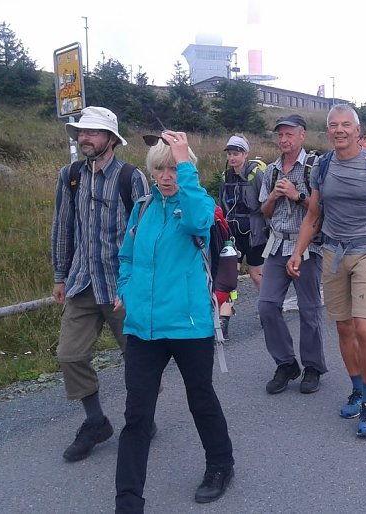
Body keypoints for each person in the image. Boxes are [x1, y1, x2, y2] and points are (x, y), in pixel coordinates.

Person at [115, 131, 235, 510]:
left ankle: (220, 464)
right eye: (160, 168)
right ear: (152, 171)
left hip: (188, 324)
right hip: (143, 328)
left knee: (200, 398)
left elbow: (201, 220)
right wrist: (126, 288)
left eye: (174, 168)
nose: (167, 176)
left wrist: (186, 164)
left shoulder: (196, 204)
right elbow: (127, 255)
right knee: (136, 415)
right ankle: (128, 500)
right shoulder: (144, 207)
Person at [288, 104, 366, 437]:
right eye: (333, 125)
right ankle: (357, 389)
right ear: (328, 131)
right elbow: (313, 215)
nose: (339, 130)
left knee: (364, 330)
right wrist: (297, 252)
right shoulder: (322, 167)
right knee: (343, 329)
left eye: (345, 125)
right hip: (333, 253)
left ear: (358, 131)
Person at [51, 106, 149, 462]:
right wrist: (60, 275)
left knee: (138, 359)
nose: (84, 137)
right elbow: (63, 226)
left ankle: (141, 418)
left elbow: (145, 234)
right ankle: (95, 422)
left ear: (111, 138)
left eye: (92, 132)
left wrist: (140, 284)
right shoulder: (71, 175)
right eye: (81, 131)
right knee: (70, 355)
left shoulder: (131, 177)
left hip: (122, 286)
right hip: (81, 282)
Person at [258, 114, 327, 394]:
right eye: (280, 135)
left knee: (309, 309)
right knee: (266, 305)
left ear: (302, 136)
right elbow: (264, 211)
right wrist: (274, 196)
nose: (284, 140)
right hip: (276, 246)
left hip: (307, 246)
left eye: (289, 134)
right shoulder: (272, 170)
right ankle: (286, 363)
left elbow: (322, 209)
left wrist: (297, 195)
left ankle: (312, 367)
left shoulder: (315, 166)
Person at [217, 134, 267, 338]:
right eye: (230, 154)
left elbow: (267, 203)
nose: (232, 158)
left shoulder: (256, 175)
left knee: (256, 274)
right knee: (229, 277)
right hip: (233, 232)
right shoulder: (225, 176)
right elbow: (222, 205)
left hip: (255, 232)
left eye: (236, 153)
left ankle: (268, 309)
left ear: (245, 154)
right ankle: (224, 320)